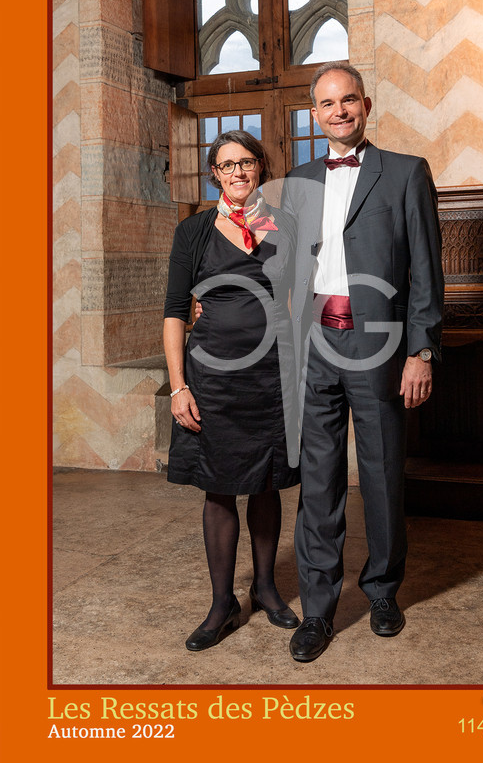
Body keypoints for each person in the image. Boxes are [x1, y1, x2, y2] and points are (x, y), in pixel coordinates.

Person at [281, 62, 444, 662]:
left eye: (348, 100)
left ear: (366, 105)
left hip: (380, 347)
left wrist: (420, 351)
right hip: (314, 347)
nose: (339, 111)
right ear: (314, 114)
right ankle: (317, 611)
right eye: (327, 104)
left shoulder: (405, 172)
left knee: (380, 472)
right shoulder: (297, 181)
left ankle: (381, 591)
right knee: (318, 481)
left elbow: (426, 270)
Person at [163, 130, 300, 652]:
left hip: (272, 376)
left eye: (246, 162)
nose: (238, 172)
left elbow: (297, 300)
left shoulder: (285, 225)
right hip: (213, 377)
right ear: (214, 174)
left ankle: (265, 588)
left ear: (260, 167)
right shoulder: (194, 231)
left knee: (267, 482)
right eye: (226, 165)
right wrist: (178, 386)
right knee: (218, 487)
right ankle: (222, 604)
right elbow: (175, 311)